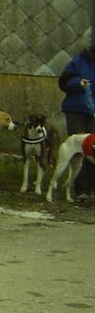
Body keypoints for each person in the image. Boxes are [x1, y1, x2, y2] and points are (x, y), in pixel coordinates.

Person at [58, 41, 95, 197]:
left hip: (93, 111)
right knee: (79, 150)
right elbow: (64, 81)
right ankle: (82, 189)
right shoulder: (79, 61)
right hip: (76, 109)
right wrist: (78, 83)